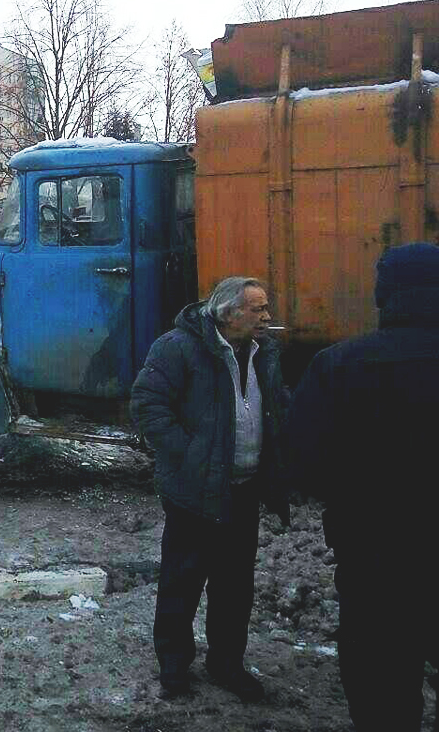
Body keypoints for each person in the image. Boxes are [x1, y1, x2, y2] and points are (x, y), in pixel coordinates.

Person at [288, 242, 439, 731]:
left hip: (373, 551)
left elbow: (304, 466)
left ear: (383, 295)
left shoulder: (337, 365)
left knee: (380, 681)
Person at [131, 277, 291, 702]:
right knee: (182, 581)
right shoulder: (178, 347)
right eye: (257, 309)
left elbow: (277, 406)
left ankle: (226, 664)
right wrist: (189, 456)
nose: (266, 317)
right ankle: (174, 666)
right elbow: (147, 404)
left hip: (243, 490)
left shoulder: (264, 354)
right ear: (228, 314)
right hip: (194, 492)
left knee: (235, 586)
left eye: (265, 308)